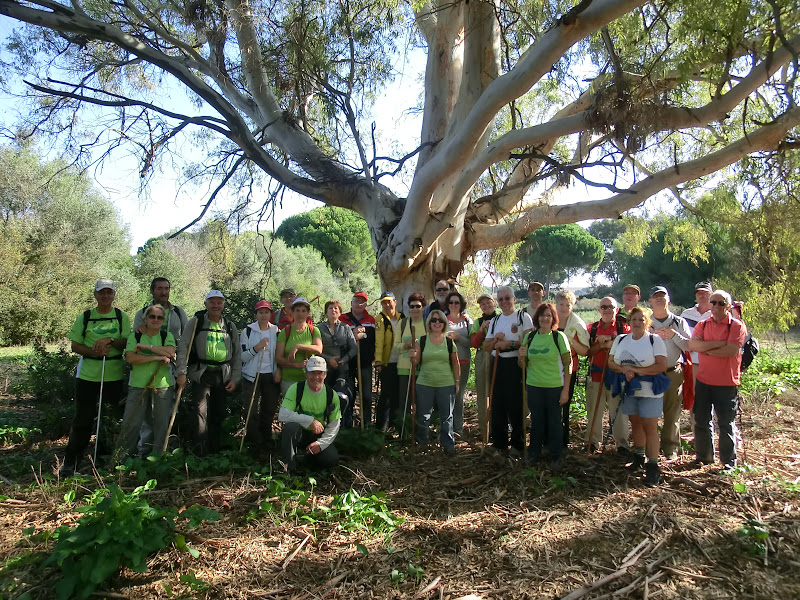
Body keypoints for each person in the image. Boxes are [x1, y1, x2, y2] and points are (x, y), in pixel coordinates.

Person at [60, 279, 131, 474]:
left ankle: (102, 460)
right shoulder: (85, 317)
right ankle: (71, 461)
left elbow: (126, 341)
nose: (106, 296)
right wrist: (95, 352)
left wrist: (109, 340)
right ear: (95, 295)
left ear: (114, 294)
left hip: (113, 374)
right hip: (87, 375)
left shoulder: (120, 316)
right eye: (102, 292)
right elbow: (75, 345)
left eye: (109, 292)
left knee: (107, 419)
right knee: (82, 419)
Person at [176, 290, 241, 455]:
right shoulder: (196, 322)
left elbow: (237, 354)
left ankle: (214, 450)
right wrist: (181, 372)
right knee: (200, 413)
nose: (216, 305)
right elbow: (183, 346)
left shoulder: (229, 325)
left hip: (223, 375)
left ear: (223, 305)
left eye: (219, 302)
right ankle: (199, 451)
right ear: (206, 304)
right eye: (212, 302)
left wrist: (235, 377)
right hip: (201, 373)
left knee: (218, 412)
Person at [608, 307, 668, 485]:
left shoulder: (653, 340)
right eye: (634, 319)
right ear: (629, 321)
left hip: (650, 390)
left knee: (650, 426)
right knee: (635, 423)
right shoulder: (620, 339)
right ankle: (639, 457)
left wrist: (636, 370)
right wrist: (624, 370)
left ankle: (653, 466)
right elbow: (611, 362)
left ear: (647, 322)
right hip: (629, 388)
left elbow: (662, 365)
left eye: (641, 319)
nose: (637, 322)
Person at [688, 289, 747, 470]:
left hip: (727, 383)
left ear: (729, 306)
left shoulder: (736, 326)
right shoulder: (703, 325)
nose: (716, 306)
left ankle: (729, 462)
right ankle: (704, 457)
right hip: (704, 381)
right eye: (713, 302)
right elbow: (693, 345)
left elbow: (730, 351)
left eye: (721, 303)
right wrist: (719, 344)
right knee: (701, 420)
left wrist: (705, 349)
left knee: (725, 423)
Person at [131, 276, 188, 455]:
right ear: (152, 291)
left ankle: (163, 451)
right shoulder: (142, 313)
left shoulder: (179, 313)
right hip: (146, 368)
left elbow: (186, 343)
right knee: (147, 413)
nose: (163, 292)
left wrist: (182, 370)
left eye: (166, 288)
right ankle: (144, 452)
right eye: (159, 288)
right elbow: (135, 341)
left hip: (171, 367)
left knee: (168, 412)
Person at [117, 303, 175, 461]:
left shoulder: (166, 336)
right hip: (138, 384)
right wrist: (156, 356)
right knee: (131, 423)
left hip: (162, 386)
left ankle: (158, 458)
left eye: (159, 317)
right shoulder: (135, 335)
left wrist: (146, 347)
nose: (156, 320)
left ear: (164, 320)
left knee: (161, 424)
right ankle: (122, 460)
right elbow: (131, 358)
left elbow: (170, 353)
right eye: (152, 316)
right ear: (145, 319)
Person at [519, 303, 572, 470]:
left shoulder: (558, 337)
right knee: (537, 421)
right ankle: (534, 452)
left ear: (553, 318)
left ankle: (556, 455)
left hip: (554, 386)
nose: (545, 318)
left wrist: (565, 391)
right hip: (534, 385)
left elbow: (568, 364)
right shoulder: (530, 337)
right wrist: (521, 357)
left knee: (555, 422)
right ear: (537, 318)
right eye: (542, 315)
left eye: (548, 315)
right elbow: (523, 365)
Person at [484, 286, 533, 457]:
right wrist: (496, 341)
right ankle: (500, 442)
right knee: (497, 403)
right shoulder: (496, 320)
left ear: (514, 299)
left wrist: (510, 344)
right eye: (501, 299)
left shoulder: (523, 317)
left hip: (515, 363)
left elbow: (529, 341)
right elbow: (485, 345)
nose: (504, 302)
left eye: (507, 298)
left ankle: (518, 444)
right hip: (497, 362)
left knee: (515, 404)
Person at [649, 286, 692, 460]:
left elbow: (689, 346)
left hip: (673, 373)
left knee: (672, 413)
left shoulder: (679, 322)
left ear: (669, 299)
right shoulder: (645, 321)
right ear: (650, 300)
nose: (659, 299)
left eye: (663, 296)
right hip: (650, 373)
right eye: (656, 296)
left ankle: (670, 449)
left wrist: (673, 335)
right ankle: (649, 448)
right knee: (649, 412)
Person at [279, 356, 342, 475]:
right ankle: (289, 467)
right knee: (290, 428)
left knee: (331, 460)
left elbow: (334, 425)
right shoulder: (296, 389)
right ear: (306, 374)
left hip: (317, 436)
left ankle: (308, 459)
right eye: (312, 373)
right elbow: (283, 415)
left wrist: (321, 444)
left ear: (325, 375)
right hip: (299, 433)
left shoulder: (331, 395)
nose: (316, 377)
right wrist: (310, 421)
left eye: (320, 373)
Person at [409, 309, 460, 454]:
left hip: (446, 383)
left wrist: (457, 381)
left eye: (440, 320)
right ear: (429, 323)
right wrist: (412, 356)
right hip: (425, 383)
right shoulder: (422, 341)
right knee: (423, 415)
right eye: (433, 320)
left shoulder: (449, 342)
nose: (437, 323)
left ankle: (448, 445)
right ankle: (422, 442)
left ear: (444, 323)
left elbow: (455, 363)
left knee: (447, 416)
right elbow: (416, 361)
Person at [585, 296, 631, 454]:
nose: (607, 310)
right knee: (594, 411)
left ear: (617, 309)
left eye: (610, 307)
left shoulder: (624, 329)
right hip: (596, 374)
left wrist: (612, 340)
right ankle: (592, 442)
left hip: (616, 376)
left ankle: (622, 445)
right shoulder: (591, 329)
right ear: (599, 310)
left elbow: (628, 348)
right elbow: (587, 352)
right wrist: (601, 345)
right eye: (603, 307)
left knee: (618, 412)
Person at [240, 300, 281, 453]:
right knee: (250, 409)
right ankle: (254, 440)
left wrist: (279, 370)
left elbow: (279, 353)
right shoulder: (248, 331)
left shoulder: (276, 331)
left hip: (270, 375)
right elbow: (243, 357)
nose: (264, 315)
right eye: (260, 312)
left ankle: (266, 438)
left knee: (269, 408)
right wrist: (257, 348)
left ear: (271, 314)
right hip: (252, 375)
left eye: (266, 312)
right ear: (256, 314)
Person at [554, 289, 590, 447]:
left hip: (569, 369)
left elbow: (585, 351)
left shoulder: (577, 325)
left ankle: (563, 441)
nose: (563, 308)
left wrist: (570, 341)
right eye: (561, 304)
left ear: (572, 306)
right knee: (551, 404)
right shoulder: (550, 319)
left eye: (567, 305)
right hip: (550, 369)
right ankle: (549, 439)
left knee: (564, 405)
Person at [318, 300, 358, 426]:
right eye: (330, 308)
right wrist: (328, 359)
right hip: (324, 370)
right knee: (325, 398)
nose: (333, 310)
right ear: (326, 312)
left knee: (342, 397)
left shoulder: (346, 328)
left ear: (340, 312)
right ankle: (325, 426)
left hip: (343, 369)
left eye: (336, 308)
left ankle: (344, 427)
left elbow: (354, 348)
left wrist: (344, 359)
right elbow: (316, 349)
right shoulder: (319, 329)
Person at [339, 291, 376, 426]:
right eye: (356, 301)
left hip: (365, 363)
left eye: (362, 302)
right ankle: (347, 426)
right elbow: (339, 339)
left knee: (366, 395)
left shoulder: (371, 320)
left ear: (365, 304)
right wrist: (352, 335)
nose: (359, 304)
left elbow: (373, 341)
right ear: (351, 303)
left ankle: (366, 425)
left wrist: (364, 336)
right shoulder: (343, 319)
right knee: (348, 395)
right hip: (347, 364)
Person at [276, 297, 323, 396]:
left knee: (307, 410)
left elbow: (319, 349)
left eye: (303, 311)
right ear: (292, 312)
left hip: (309, 380)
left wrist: (298, 346)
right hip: (288, 380)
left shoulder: (314, 331)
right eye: (297, 310)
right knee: (290, 410)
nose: (300, 314)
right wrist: (296, 365)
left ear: (308, 313)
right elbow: (278, 358)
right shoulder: (285, 332)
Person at [373, 292, 406, 431]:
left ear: (395, 302)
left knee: (398, 395)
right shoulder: (380, 319)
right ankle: (381, 427)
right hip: (387, 362)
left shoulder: (403, 318)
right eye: (384, 302)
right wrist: (378, 361)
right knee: (386, 394)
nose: (387, 305)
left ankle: (396, 425)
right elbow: (378, 341)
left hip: (402, 362)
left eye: (389, 301)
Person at [396, 293, 427, 434]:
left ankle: (421, 432)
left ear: (423, 307)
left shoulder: (428, 324)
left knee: (421, 403)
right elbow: (396, 346)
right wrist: (405, 345)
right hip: (404, 368)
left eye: (418, 306)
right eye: (412, 306)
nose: (415, 309)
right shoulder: (403, 324)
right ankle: (404, 431)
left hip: (423, 368)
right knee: (404, 402)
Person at [469, 293, 499, 441]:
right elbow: (474, 343)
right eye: (483, 304)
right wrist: (481, 330)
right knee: (483, 393)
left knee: (498, 393)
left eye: (488, 303)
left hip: (499, 354)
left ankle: (499, 427)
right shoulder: (478, 321)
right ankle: (484, 429)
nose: (486, 306)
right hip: (483, 355)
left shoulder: (502, 318)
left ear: (494, 303)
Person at [445, 290, 473, 436]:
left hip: (463, 362)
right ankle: (445, 428)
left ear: (461, 304)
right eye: (451, 302)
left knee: (458, 395)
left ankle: (458, 428)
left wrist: (458, 338)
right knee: (446, 395)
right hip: (446, 363)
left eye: (457, 302)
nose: (454, 305)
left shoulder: (468, 321)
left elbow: (473, 343)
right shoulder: (443, 320)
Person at [681, 282, 713, 370]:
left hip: (710, 362)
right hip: (688, 362)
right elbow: (679, 335)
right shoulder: (686, 314)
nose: (702, 296)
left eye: (705, 293)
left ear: (711, 295)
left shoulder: (716, 315)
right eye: (699, 293)